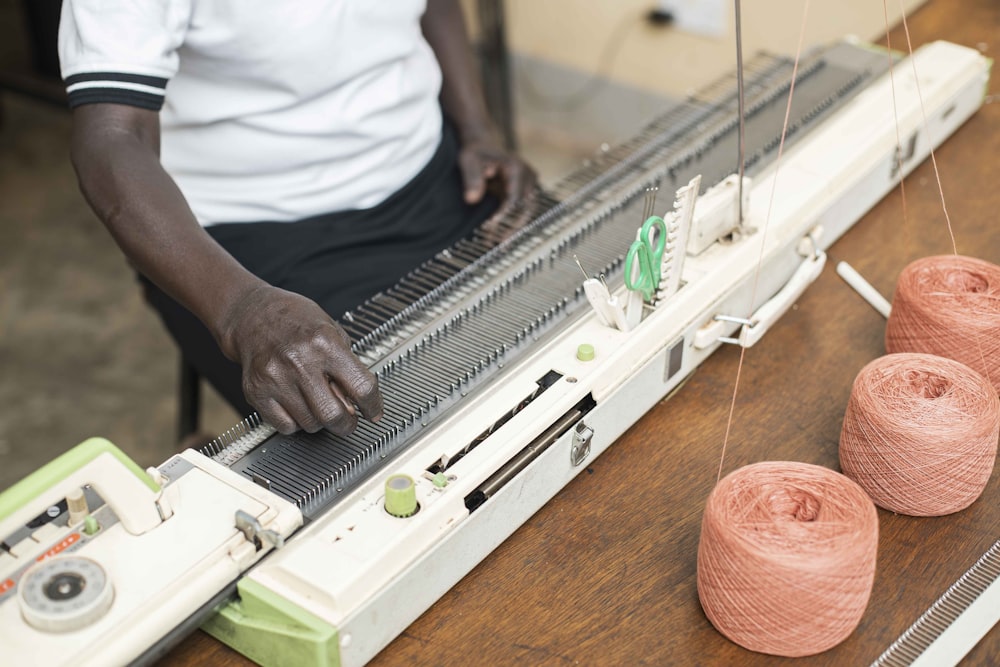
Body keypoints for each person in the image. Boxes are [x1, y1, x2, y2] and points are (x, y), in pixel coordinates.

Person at [58, 0, 536, 438]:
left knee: (588, 332)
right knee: (415, 448)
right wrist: (243, 312)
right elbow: (111, 142)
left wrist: (477, 131)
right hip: (248, 251)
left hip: (436, 174)